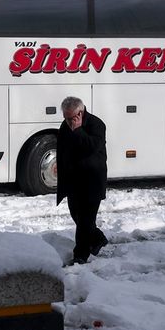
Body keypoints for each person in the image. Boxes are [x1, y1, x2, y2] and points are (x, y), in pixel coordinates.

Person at [56, 96, 108, 265]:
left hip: (92, 180)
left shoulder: (96, 124)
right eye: (65, 117)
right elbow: (63, 149)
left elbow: (93, 147)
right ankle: (98, 238)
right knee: (77, 215)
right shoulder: (66, 125)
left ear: (80, 113)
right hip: (74, 181)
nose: (68, 121)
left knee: (85, 220)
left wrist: (78, 131)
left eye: (70, 118)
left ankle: (80, 255)